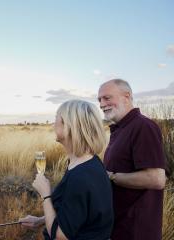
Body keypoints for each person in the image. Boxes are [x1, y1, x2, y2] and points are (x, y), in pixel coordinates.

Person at [19, 100, 114, 240]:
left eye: (57, 118)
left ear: (70, 126)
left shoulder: (80, 176)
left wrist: (46, 195)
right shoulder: (87, 163)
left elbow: (61, 236)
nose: (53, 124)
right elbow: (75, 214)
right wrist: (40, 220)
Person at [98, 79, 167, 240]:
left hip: (136, 231)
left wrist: (111, 176)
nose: (101, 104)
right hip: (119, 227)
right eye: (99, 100)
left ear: (126, 96)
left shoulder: (143, 126)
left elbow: (156, 179)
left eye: (107, 98)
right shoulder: (120, 129)